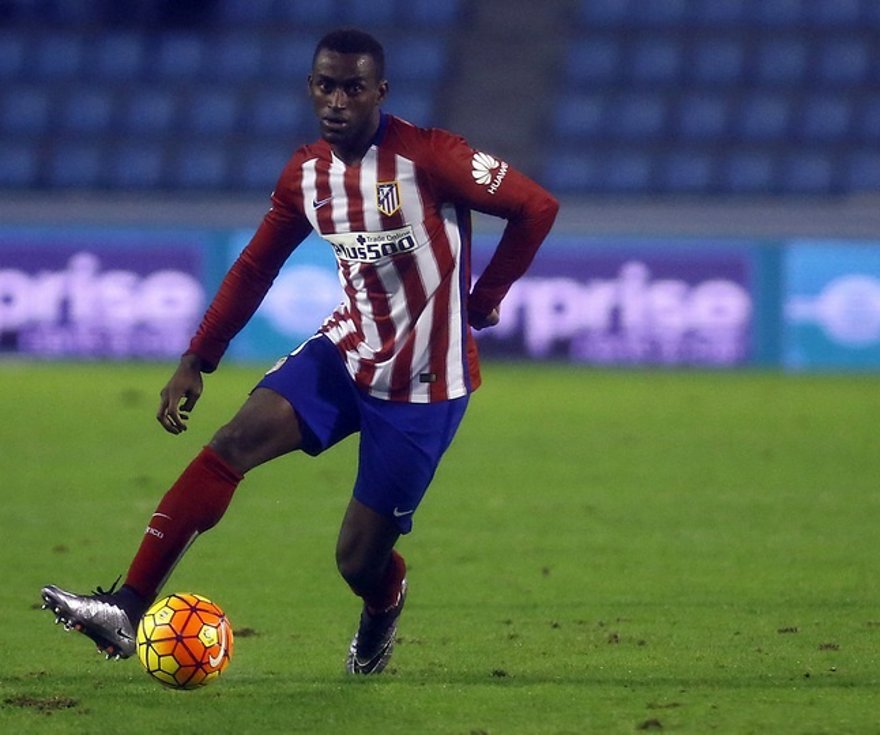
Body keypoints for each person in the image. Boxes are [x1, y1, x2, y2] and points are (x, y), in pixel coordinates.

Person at [41, 28, 558, 675]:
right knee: (232, 442)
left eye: (352, 87)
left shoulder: (430, 157)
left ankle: (385, 601)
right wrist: (198, 358)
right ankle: (126, 607)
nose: (337, 100)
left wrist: (484, 297)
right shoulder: (307, 175)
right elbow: (255, 266)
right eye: (325, 85)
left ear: (379, 92)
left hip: (423, 386)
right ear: (311, 88)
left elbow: (536, 206)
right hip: (345, 352)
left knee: (356, 561)